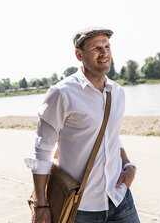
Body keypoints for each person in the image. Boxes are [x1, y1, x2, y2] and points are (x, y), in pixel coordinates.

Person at [25, 27, 139, 223]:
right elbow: (42, 151)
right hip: (80, 206)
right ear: (79, 55)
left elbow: (111, 135)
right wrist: (40, 204)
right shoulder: (62, 94)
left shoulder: (117, 92)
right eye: (96, 48)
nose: (104, 53)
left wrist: (128, 164)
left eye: (107, 46)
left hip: (119, 199)